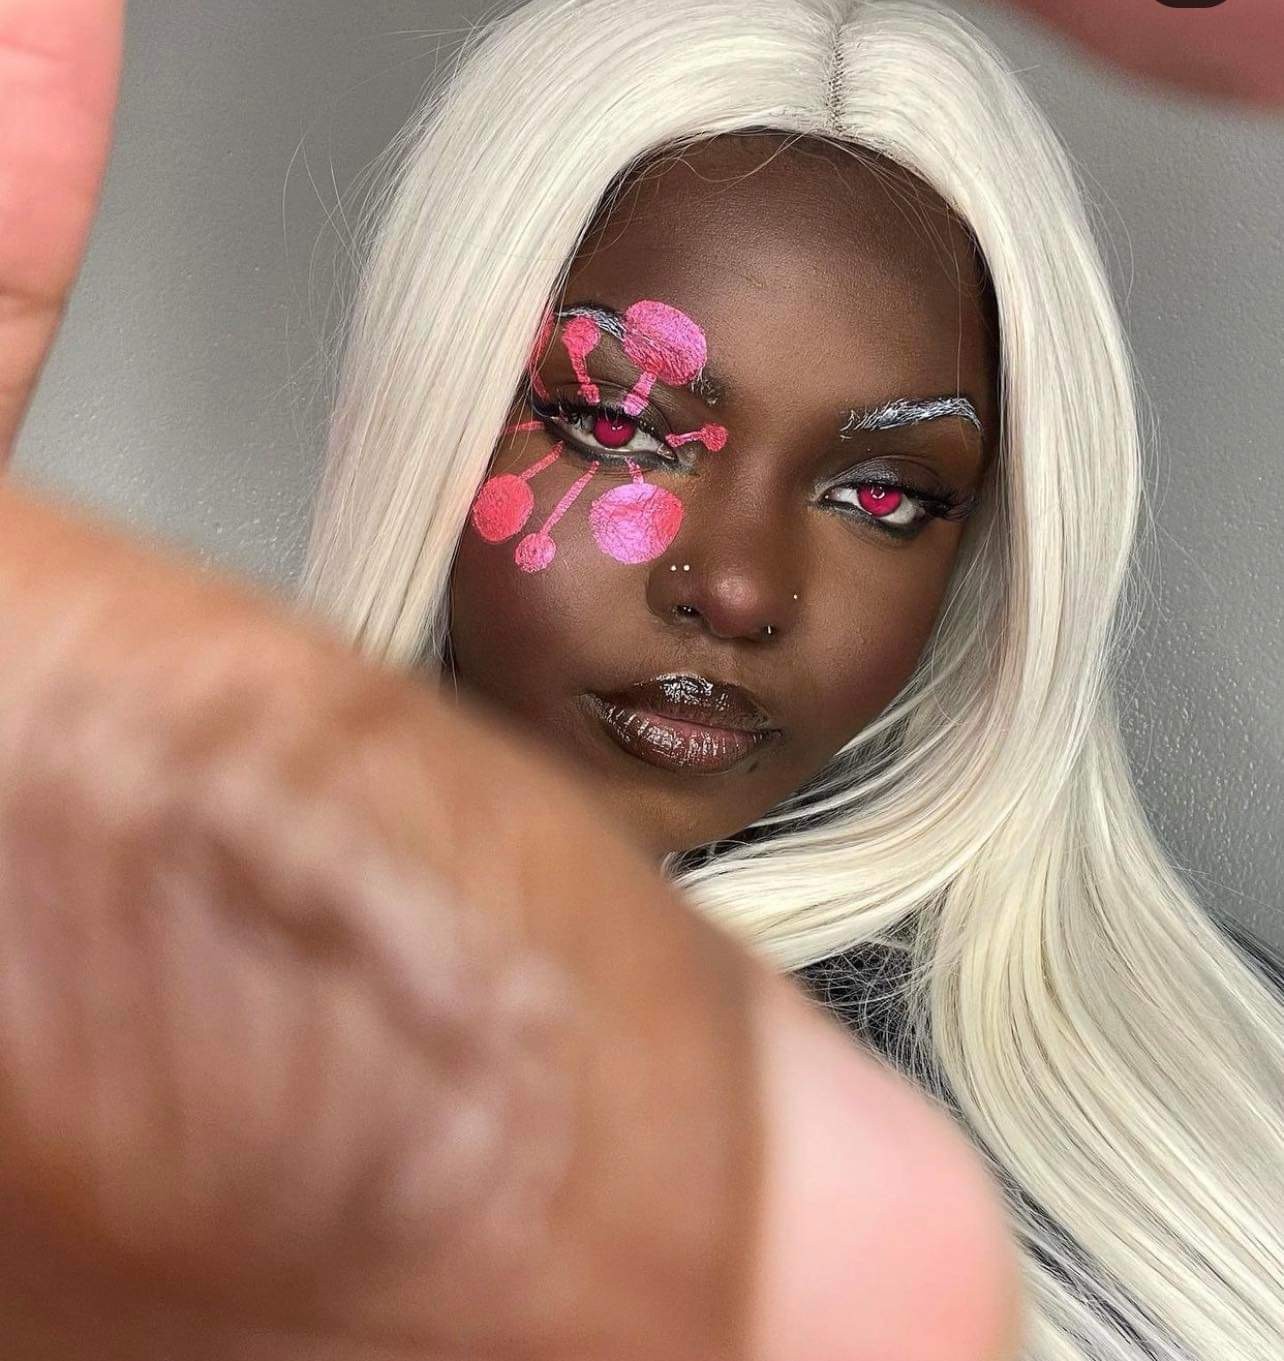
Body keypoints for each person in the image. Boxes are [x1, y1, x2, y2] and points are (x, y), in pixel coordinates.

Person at [0, 1, 1278, 1359]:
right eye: (621, 425)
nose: (738, 588)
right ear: (434, 395)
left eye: (880, 494)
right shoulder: (129, 1035)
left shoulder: (1212, 1103)